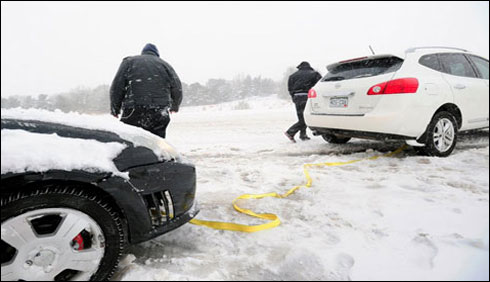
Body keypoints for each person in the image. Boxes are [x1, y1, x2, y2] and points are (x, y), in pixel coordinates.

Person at [110, 43, 182, 139]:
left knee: (131, 139)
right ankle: (156, 153)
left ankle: (132, 153)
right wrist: (175, 106)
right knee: (157, 142)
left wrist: (115, 108)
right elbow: (177, 87)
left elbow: (117, 86)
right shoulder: (165, 65)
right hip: (159, 110)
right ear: (156, 54)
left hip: (134, 109)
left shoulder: (129, 62)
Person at [285, 61, 322, 143]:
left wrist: (293, 97)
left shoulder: (292, 76)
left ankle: (303, 135)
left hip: (297, 97)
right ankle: (290, 132)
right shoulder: (314, 74)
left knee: (301, 116)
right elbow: (320, 86)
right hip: (307, 96)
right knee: (306, 118)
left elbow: (290, 88)